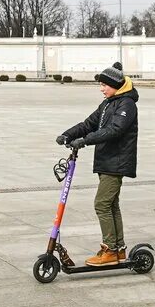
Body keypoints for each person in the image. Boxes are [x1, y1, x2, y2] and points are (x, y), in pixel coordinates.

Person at [56, 62, 139, 267]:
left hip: (117, 161)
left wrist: (85, 141)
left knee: (101, 204)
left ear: (115, 85)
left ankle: (109, 250)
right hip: (106, 160)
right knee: (111, 205)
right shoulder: (108, 103)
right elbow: (89, 124)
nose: (101, 89)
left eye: (104, 85)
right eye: (100, 85)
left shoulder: (126, 104)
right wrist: (68, 134)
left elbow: (114, 130)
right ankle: (118, 249)